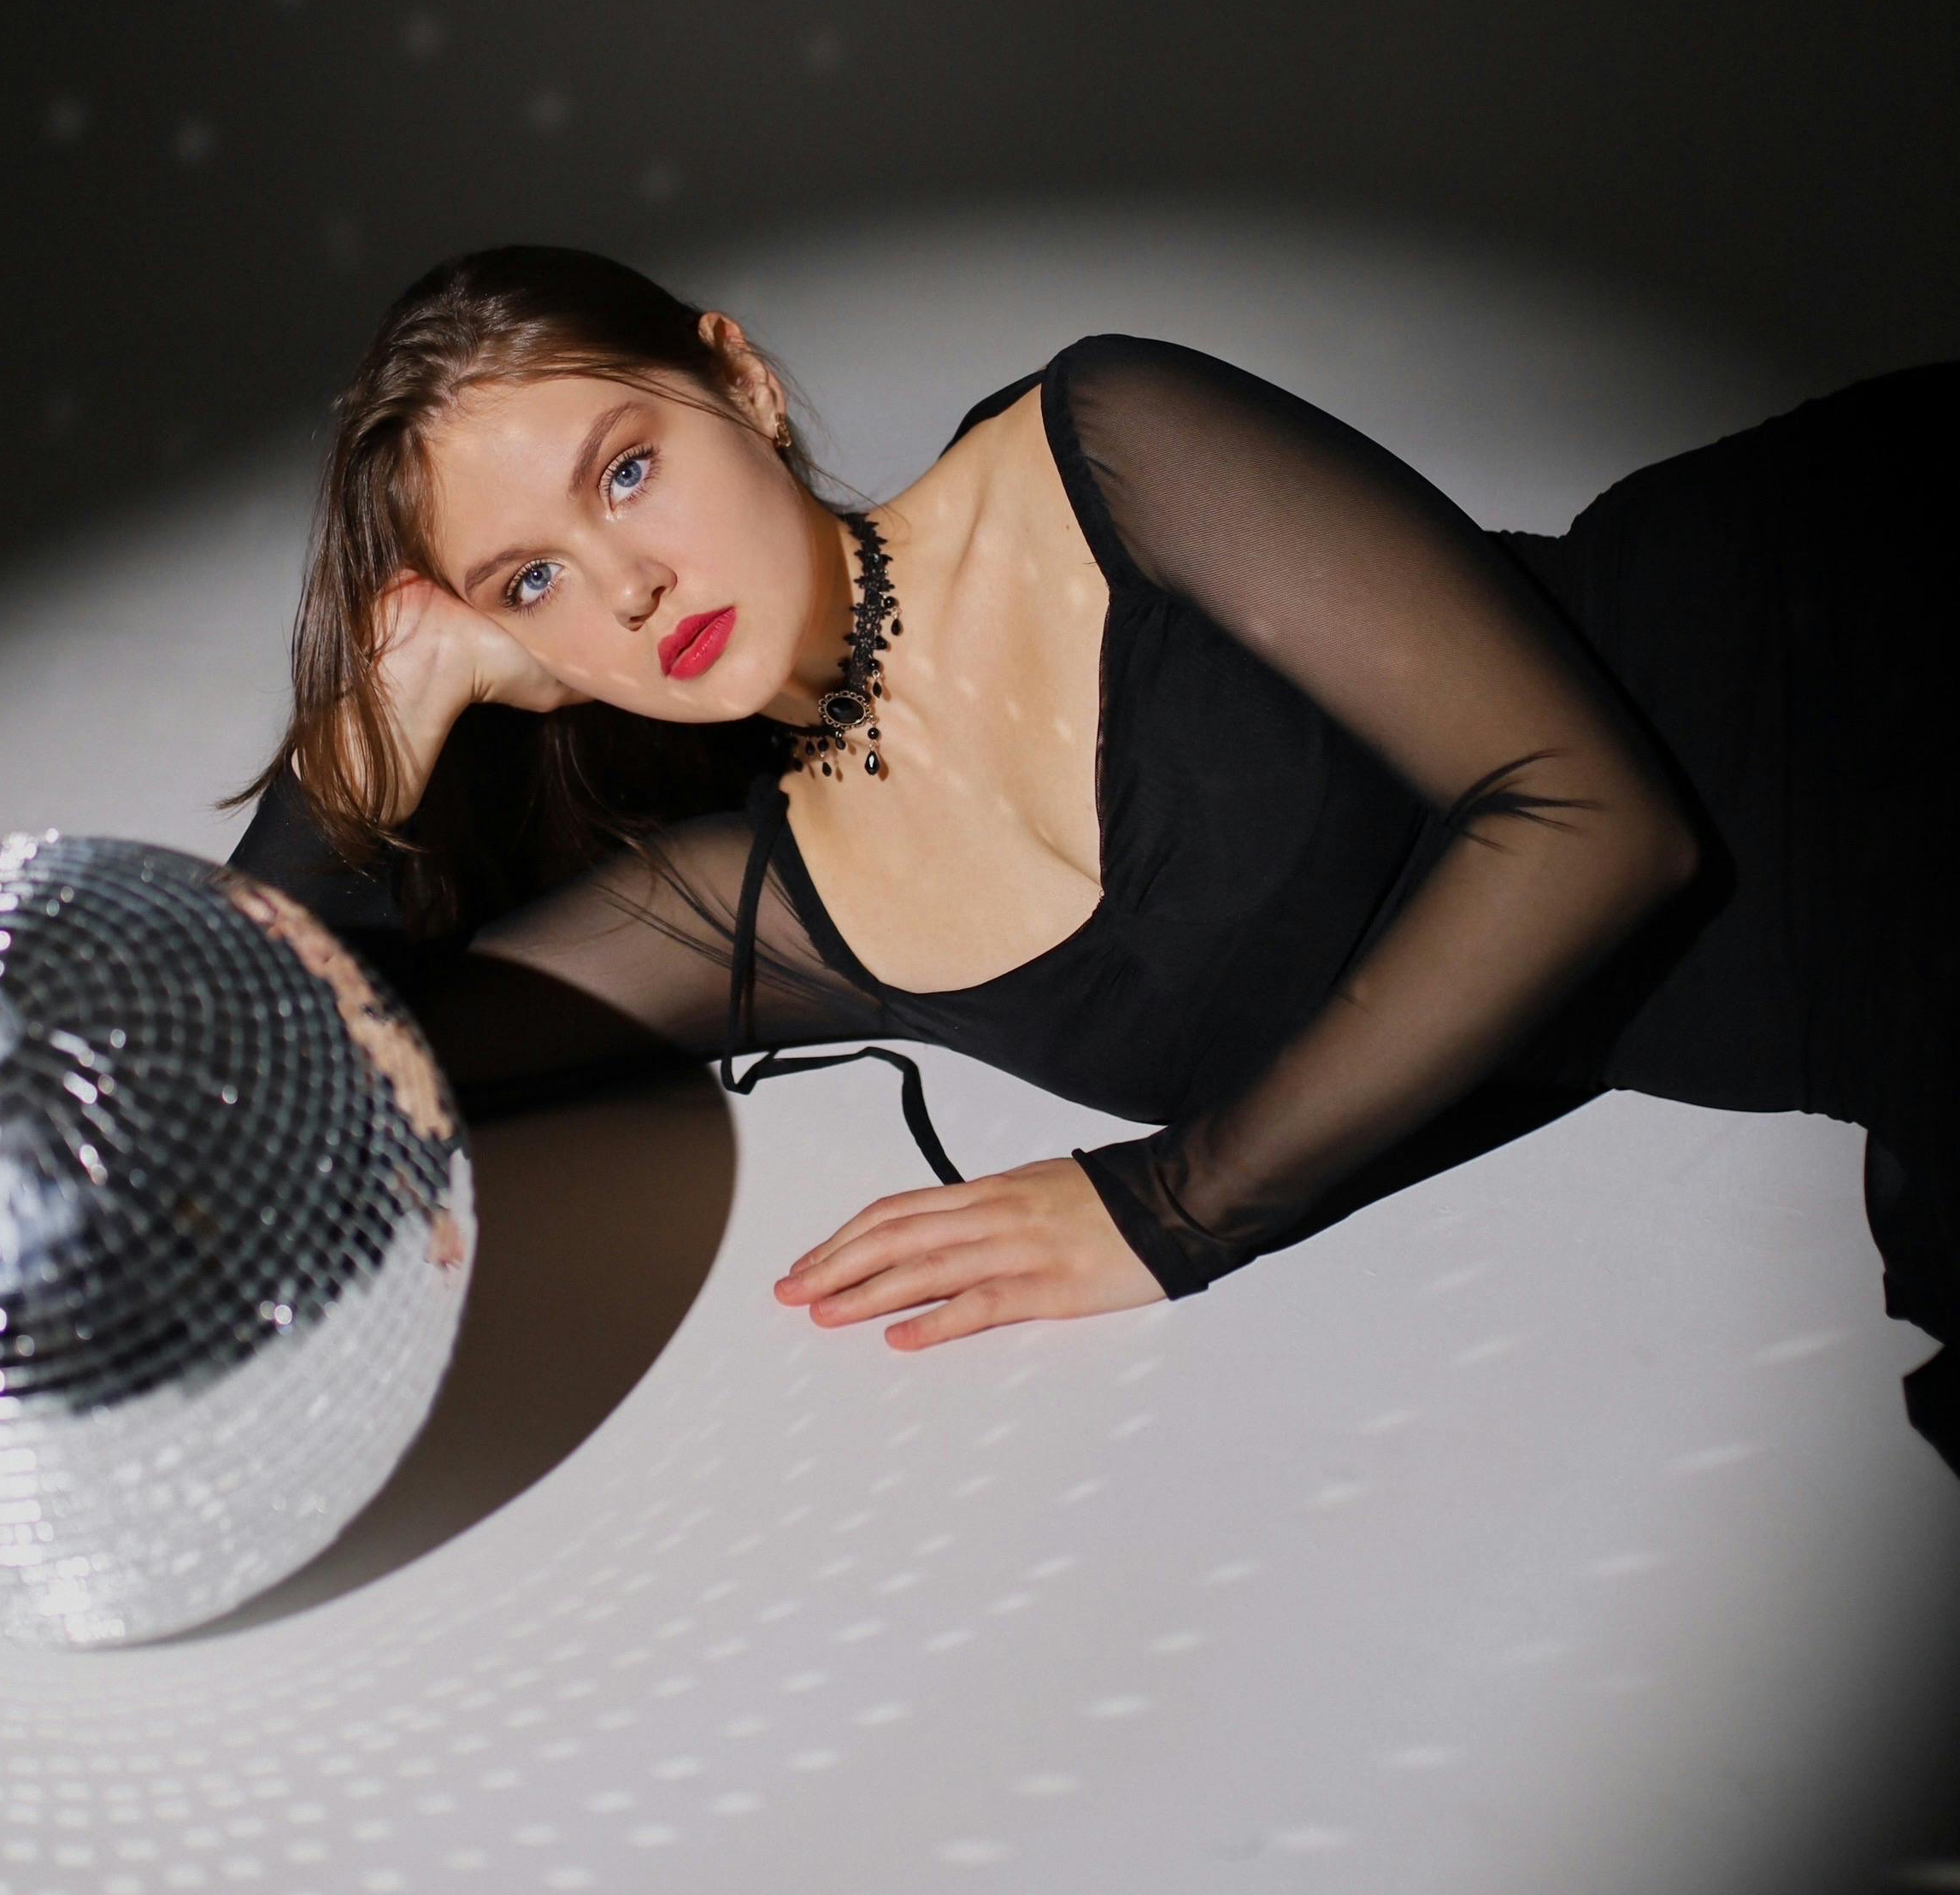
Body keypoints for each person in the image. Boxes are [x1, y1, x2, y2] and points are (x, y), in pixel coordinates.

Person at [227, 245, 1957, 1457]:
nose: (624, 587)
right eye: (529, 581)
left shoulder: (1101, 445)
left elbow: (1588, 818)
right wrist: (362, 745)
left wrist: (1176, 1199)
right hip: (1848, 995)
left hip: (1845, 632)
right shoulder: (776, 904)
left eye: (625, 470)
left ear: (737, 378)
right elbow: (280, 1096)